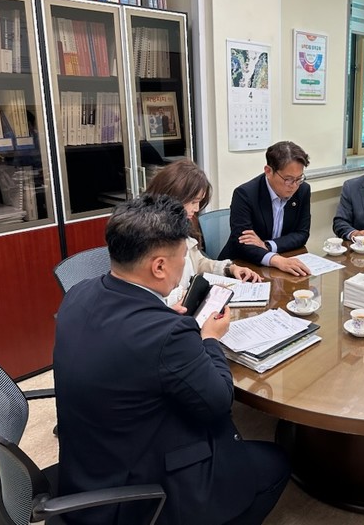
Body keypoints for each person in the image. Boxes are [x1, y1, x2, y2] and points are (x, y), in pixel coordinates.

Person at [54, 194, 291, 525]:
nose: (184, 267)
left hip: (89, 465)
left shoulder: (79, 293)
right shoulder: (167, 334)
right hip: (138, 491)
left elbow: (126, 340)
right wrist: (209, 338)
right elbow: (219, 402)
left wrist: (164, 318)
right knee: (275, 463)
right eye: (183, 257)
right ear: (159, 266)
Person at [144, 159, 261, 307]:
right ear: (172, 197)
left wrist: (230, 269)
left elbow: (198, 262)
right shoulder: (147, 236)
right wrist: (185, 296)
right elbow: (148, 295)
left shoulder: (179, 226)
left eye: (199, 201)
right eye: (193, 202)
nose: (197, 208)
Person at [218, 141, 312, 276]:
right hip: (241, 266)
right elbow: (243, 243)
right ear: (268, 171)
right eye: (288, 179)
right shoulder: (245, 194)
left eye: (299, 178)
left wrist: (267, 245)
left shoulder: (303, 190)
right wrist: (276, 259)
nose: (294, 185)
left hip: (278, 267)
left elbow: (302, 234)